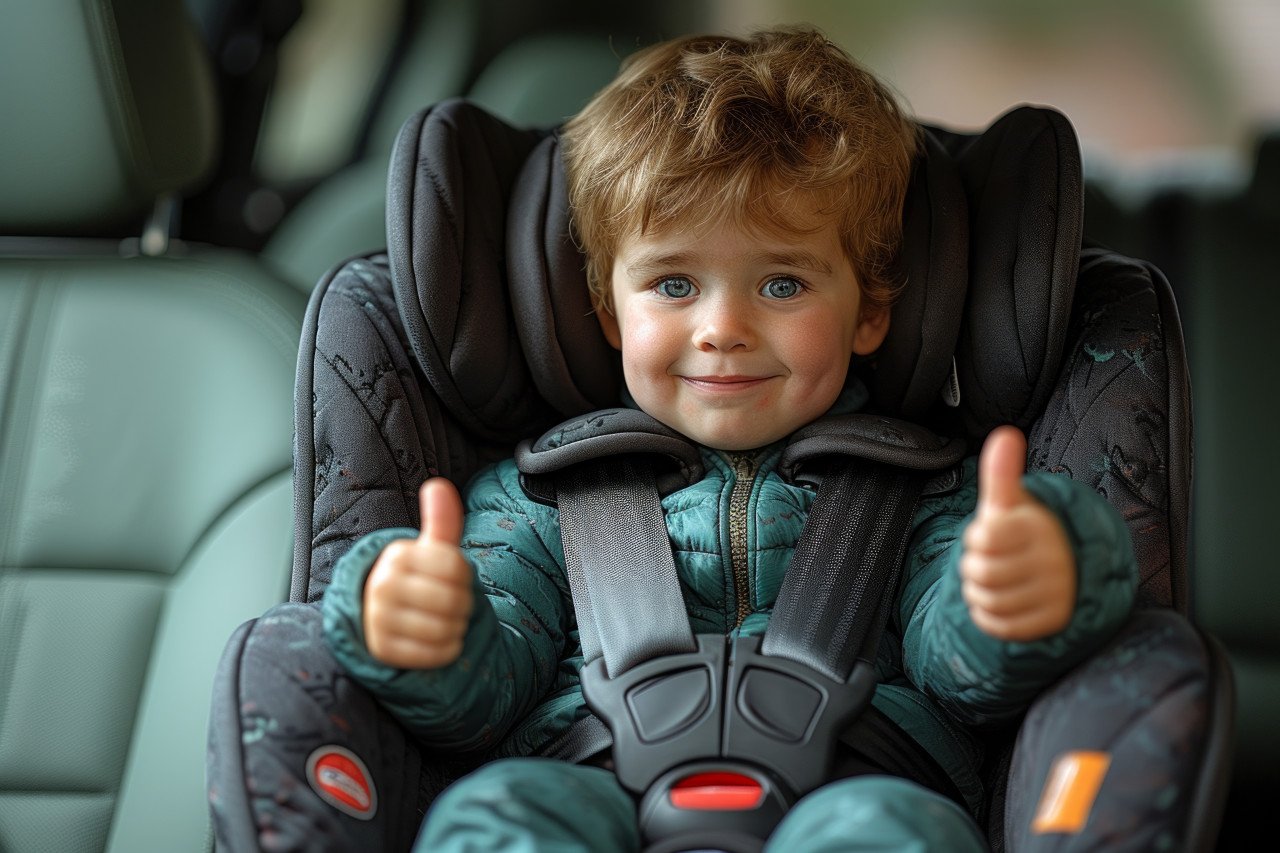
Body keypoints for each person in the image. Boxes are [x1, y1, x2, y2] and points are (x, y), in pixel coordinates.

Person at [321, 27, 1137, 852]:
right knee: (498, 808)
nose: (723, 329)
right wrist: (430, 635)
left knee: (901, 830)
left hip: (855, 781)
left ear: (872, 314)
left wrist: (1007, 599)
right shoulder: (535, 497)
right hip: (585, 778)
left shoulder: (931, 489)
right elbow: (487, 686)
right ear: (609, 313)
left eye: (781, 283)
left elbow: (956, 668)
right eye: (674, 284)